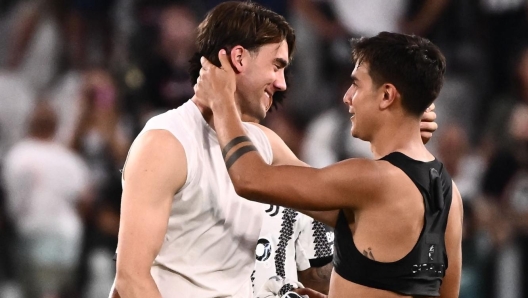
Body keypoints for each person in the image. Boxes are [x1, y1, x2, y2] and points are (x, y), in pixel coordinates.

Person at [110, 2, 438, 297]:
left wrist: (402, 132)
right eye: (277, 65)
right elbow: (131, 281)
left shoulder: (264, 144)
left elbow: (352, 209)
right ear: (238, 59)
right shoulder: (166, 142)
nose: (282, 83)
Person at [194, 31, 462, 298]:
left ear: (387, 96)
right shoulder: (450, 193)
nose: (347, 97)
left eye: (356, 84)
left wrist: (222, 102)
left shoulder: (370, 179)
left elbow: (250, 179)